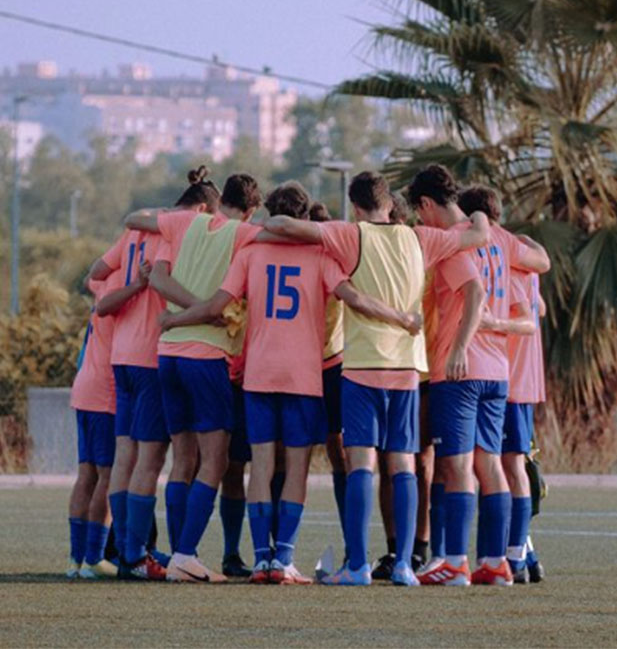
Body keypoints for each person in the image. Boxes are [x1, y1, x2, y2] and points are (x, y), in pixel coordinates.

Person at [162, 182, 420, 585]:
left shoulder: (250, 252)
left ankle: (261, 559)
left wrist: (175, 319)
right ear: (303, 219)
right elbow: (351, 297)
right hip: (303, 375)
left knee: (261, 466)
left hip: (259, 373)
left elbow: (217, 305)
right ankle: (284, 560)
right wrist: (400, 317)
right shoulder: (319, 254)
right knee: (296, 468)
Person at [262, 171, 489, 586]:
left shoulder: (349, 234)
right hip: (407, 365)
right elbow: (476, 235)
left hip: (363, 365)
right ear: (390, 203)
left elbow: (278, 224)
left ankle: (358, 566)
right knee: (402, 462)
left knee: (361, 462)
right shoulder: (421, 238)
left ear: (355, 206)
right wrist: (477, 214)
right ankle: (403, 565)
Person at [406, 169, 549, 587]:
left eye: (421, 212)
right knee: (491, 464)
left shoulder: (452, 246)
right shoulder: (496, 242)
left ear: (428, 205)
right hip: (498, 372)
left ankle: (453, 560)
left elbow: (475, 294)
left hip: (462, 372)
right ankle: (496, 562)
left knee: (456, 466)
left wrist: (458, 348)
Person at [124, 170, 264, 583]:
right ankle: (185, 553)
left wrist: (179, 316)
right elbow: (280, 236)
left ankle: (180, 555)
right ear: (252, 209)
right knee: (216, 460)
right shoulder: (244, 234)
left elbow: (138, 224)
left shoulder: (184, 222)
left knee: (182, 459)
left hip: (168, 355)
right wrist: (205, 309)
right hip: (205, 355)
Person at [89, 169, 219, 580]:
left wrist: (127, 286)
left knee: (125, 456)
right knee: (151, 458)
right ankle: (134, 554)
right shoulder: (174, 235)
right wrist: (206, 308)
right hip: (149, 354)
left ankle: (130, 552)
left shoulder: (136, 231)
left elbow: (96, 270)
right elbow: (164, 284)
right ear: (199, 210)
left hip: (121, 354)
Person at [456, 185, 545, 584]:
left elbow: (529, 313)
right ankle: (520, 551)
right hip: (511, 374)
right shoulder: (515, 249)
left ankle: (515, 552)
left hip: (506, 372)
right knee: (505, 462)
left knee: (506, 463)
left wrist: (494, 323)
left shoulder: (494, 245)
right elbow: (540, 283)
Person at [67, 270, 121, 579]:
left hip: (84, 386)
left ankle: (75, 560)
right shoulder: (120, 296)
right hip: (104, 391)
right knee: (108, 474)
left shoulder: (103, 284)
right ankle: (94, 557)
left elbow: (90, 276)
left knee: (86, 474)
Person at [308, 202, 350, 533]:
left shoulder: (338, 263)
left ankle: (352, 535)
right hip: (301, 366)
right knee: (289, 454)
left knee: (340, 452)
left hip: (332, 365)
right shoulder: (301, 261)